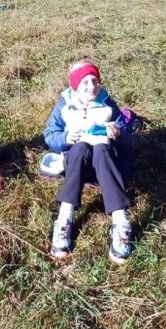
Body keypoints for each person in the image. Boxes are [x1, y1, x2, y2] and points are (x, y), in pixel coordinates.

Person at [43, 60, 133, 264]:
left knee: (101, 148)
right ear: (75, 85)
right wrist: (66, 138)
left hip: (106, 166)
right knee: (81, 147)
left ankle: (121, 223)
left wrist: (118, 133)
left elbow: (128, 137)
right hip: (77, 164)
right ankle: (64, 220)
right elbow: (49, 134)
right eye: (85, 82)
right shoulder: (64, 104)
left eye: (95, 81)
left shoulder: (107, 102)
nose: (91, 87)